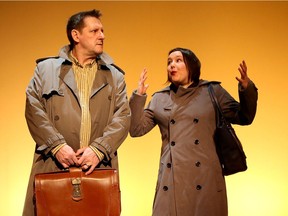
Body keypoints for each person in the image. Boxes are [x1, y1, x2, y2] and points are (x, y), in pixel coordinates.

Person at [23, 9, 130, 215]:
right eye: (95, 31)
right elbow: (33, 108)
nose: (102, 35)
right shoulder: (46, 69)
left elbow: (123, 116)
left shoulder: (115, 76)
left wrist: (98, 149)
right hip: (53, 165)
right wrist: (57, 146)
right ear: (76, 35)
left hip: (98, 168)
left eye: (103, 31)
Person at [129, 47, 258, 216]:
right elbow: (136, 129)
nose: (172, 66)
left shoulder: (212, 92)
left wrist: (246, 88)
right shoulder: (160, 98)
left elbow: (244, 117)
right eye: (169, 62)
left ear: (192, 66)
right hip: (171, 180)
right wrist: (138, 97)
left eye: (178, 60)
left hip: (205, 179)